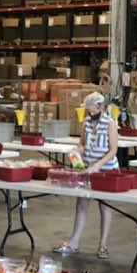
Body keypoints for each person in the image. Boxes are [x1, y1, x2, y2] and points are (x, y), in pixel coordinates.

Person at [53, 92, 119, 259]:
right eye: (89, 112)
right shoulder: (86, 123)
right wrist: (77, 150)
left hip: (106, 169)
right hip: (88, 168)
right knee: (81, 204)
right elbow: (82, 143)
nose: (91, 114)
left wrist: (98, 165)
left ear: (100, 107)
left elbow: (113, 150)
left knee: (105, 206)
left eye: (93, 111)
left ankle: (103, 245)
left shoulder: (110, 123)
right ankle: (74, 243)